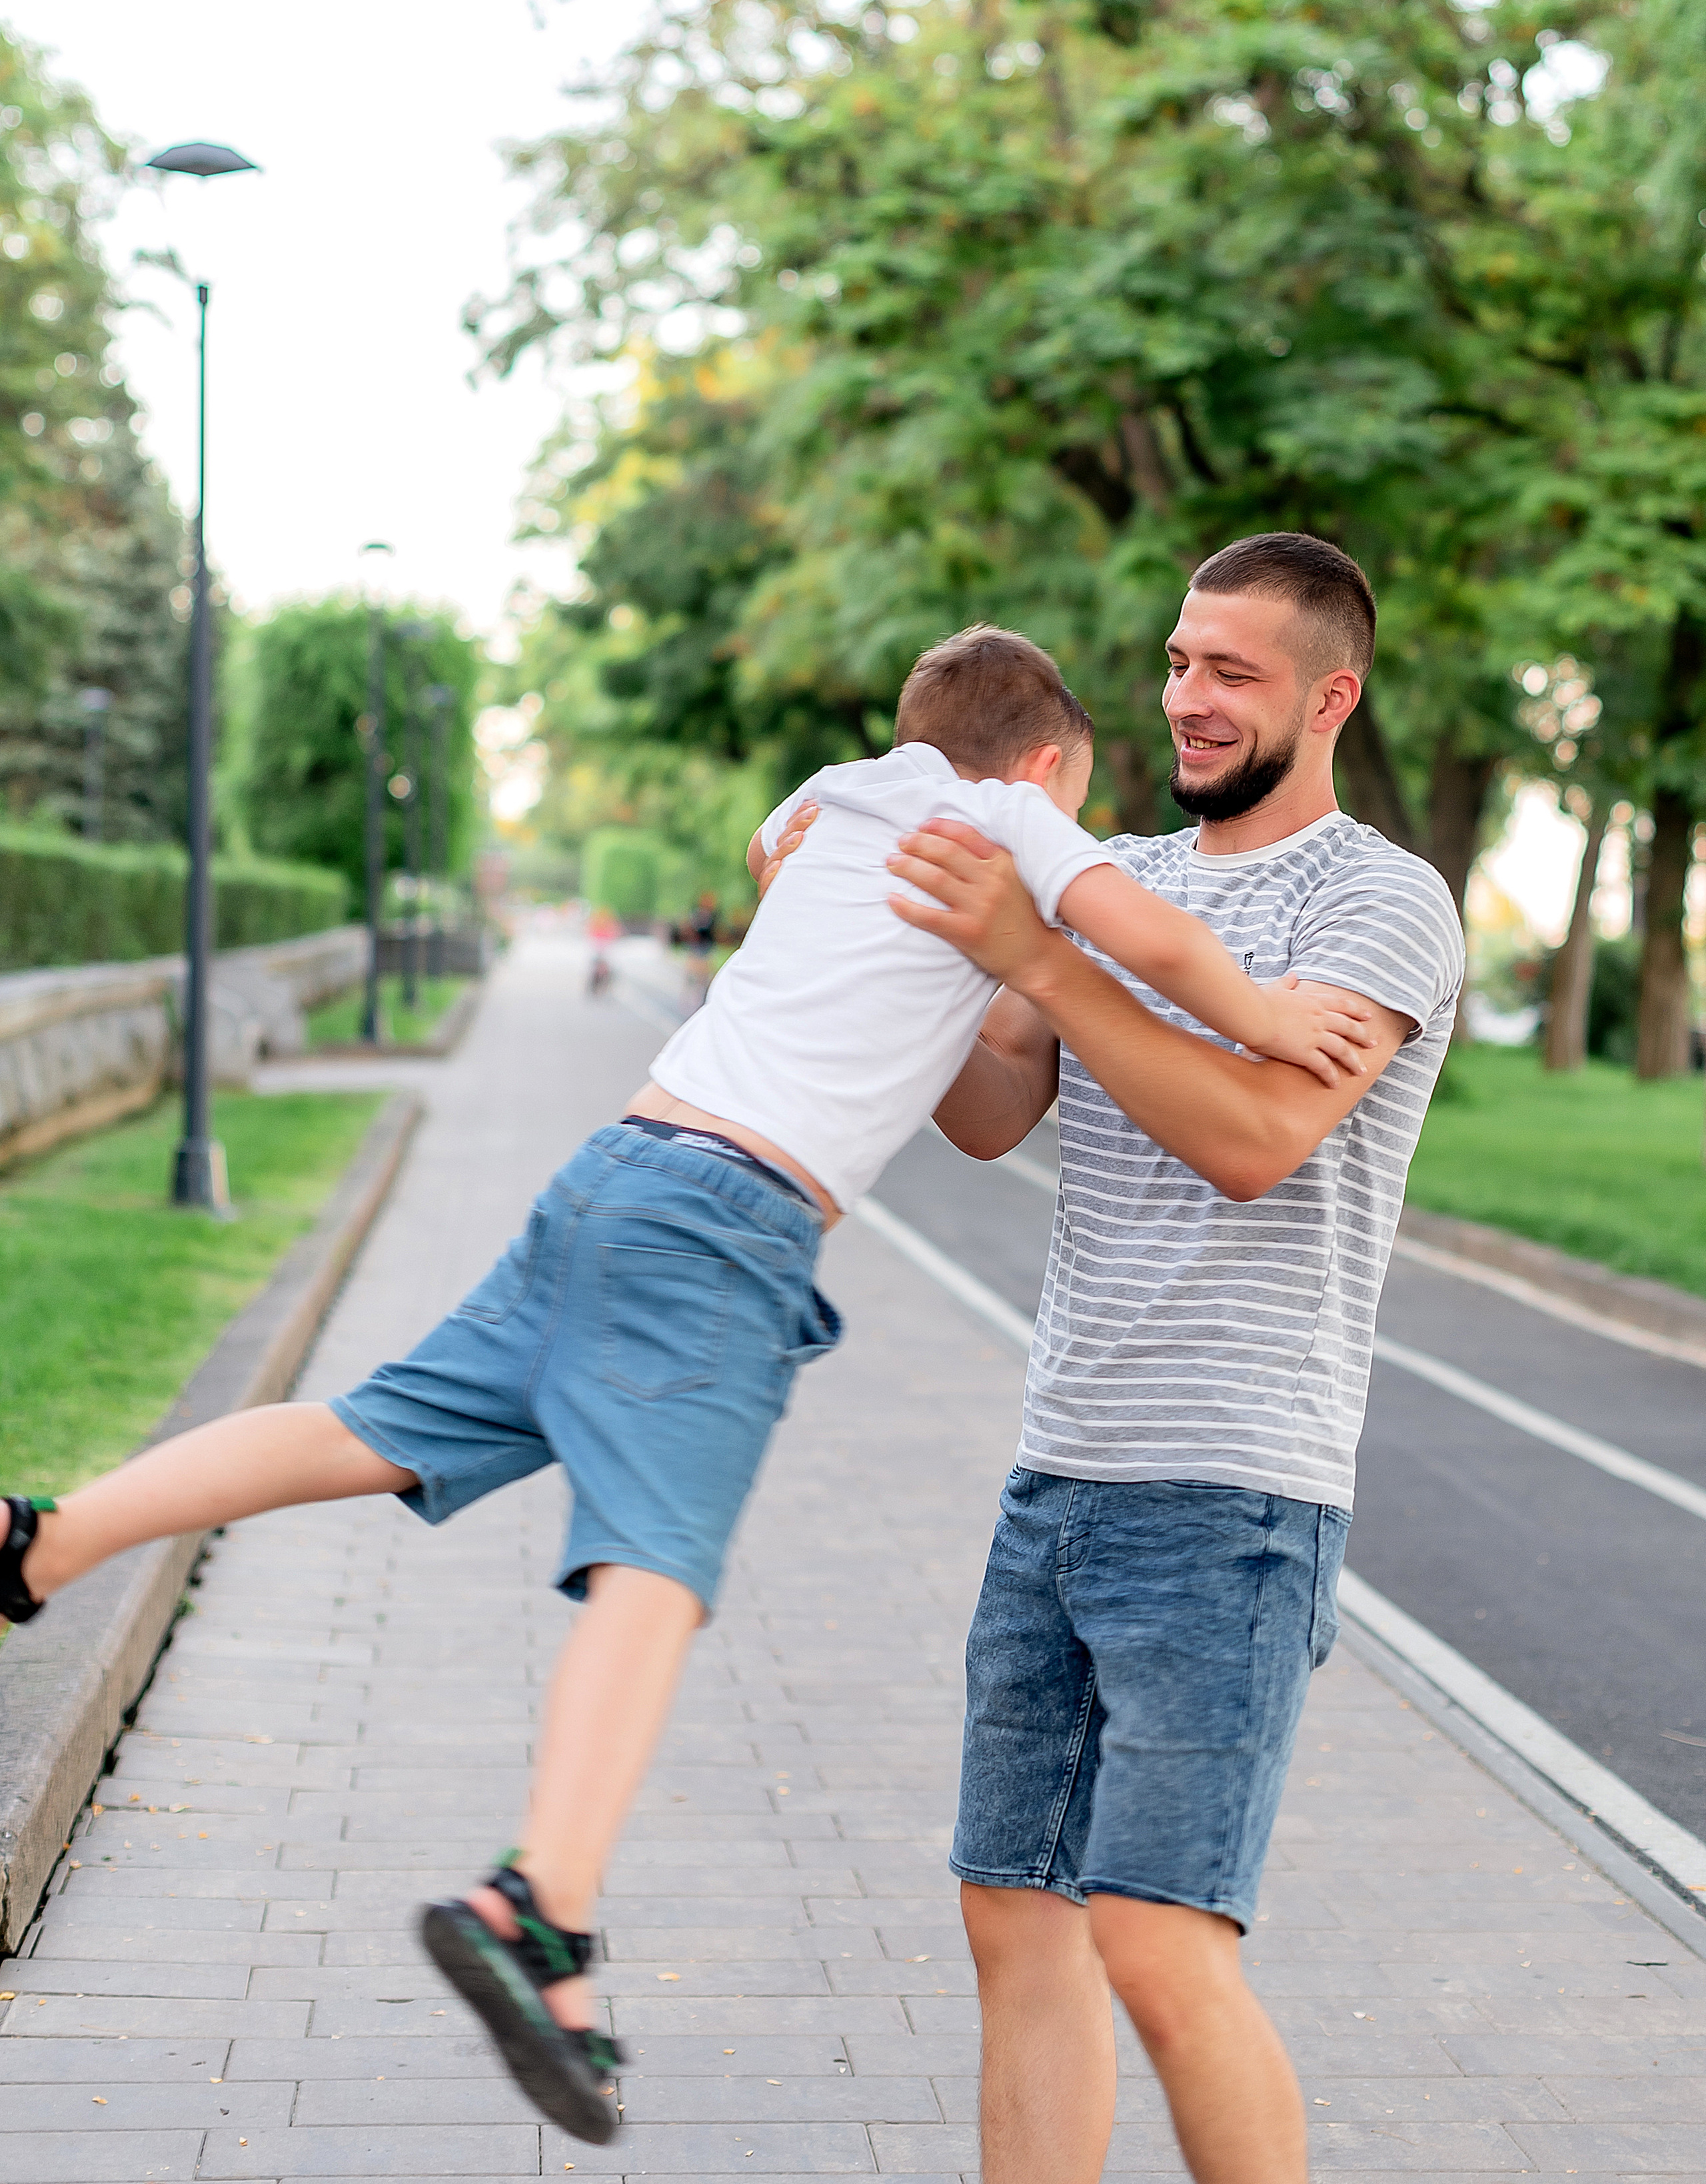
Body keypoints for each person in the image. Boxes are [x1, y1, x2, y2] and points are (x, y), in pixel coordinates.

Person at [0, 622, 1371, 2151]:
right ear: (1044, 766)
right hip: (724, 1226)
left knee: (368, 1427)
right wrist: (1260, 1017)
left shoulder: (837, 796)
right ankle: (542, 1911)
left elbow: (788, 867)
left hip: (618, 1166)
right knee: (656, 1558)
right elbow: (1167, 947)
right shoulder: (1011, 820)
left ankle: (42, 1540)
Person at [878, 540, 1464, 2184]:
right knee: (1015, 1924)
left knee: (1154, 1936)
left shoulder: (1375, 899)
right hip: (1060, 1471)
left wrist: (1043, 954)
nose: (1188, 700)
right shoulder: (1113, 870)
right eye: (1177, 662)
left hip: (1233, 1499)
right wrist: (910, 940)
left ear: (1327, 696)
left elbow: (1253, 1138)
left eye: (1233, 673)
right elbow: (991, 1117)